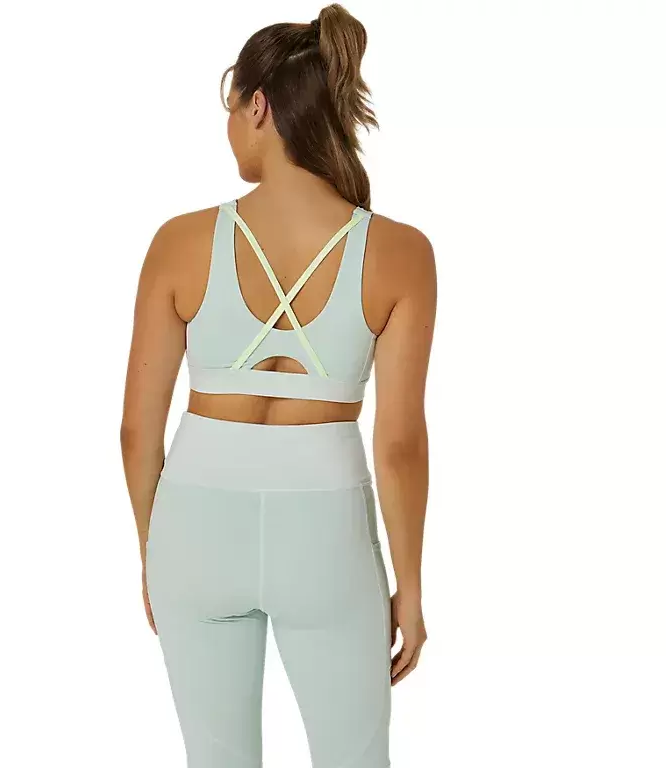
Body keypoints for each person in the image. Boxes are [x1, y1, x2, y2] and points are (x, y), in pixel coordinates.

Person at [120, 4, 436, 766]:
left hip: (195, 522)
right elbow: (398, 445)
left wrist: (154, 549)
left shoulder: (180, 242)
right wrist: (411, 585)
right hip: (325, 530)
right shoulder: (399, 253)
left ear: (258, 106)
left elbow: (136, 432)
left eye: (230, 104)